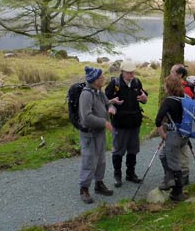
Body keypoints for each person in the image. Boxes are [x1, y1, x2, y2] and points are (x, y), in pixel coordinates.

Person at [105, 60, 148, 188]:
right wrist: (111, 104)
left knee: (133, 150)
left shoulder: (136, 82)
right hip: (120, 123)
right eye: (129, 73)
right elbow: (105, 99)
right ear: (122, 72)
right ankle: (117, 175)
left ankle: (131, 174)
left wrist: (145, 98)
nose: (132, 75)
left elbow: (143, 97)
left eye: (133, 72)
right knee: (118, 151)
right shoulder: (114, 84)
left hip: (135, 122)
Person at [78, 66, 116, 204]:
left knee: (101, 160)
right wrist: (104, 123)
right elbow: (86, 117)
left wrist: (111, 107)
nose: (104, 79)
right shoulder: (86, 95)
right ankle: (84, 189)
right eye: (101, 78)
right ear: (94, 80)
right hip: (89, 134)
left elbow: (107, 104)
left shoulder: (99, 91)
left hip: (99, 132)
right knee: (89, 161)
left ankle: (99, 184)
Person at [156, 74, 188, 202]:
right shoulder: (184, 98)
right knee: (163, 155)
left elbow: (158, 119)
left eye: (165, 85)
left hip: (173, 135)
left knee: (174, 162)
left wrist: (162, 133)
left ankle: (177, 192)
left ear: (168, 87)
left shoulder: (169, 101)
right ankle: (169, 179)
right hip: (184, 134)